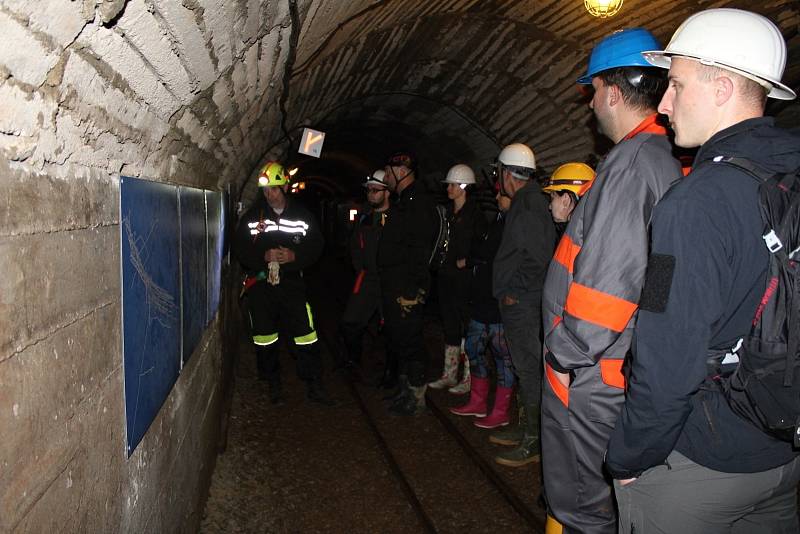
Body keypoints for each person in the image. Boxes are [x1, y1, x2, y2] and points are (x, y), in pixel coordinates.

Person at [605, 9, 800, 533]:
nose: (664, 104)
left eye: (676, 84)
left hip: (701, 463)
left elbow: (669, 357)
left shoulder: (695, 201)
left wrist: (629, 456)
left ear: (720, 88)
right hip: (783, 453)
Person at [540, 28, 682, 533]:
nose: (591, 102)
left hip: (588, 372)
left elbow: (608, 287)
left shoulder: (631, 166)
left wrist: (563, 356)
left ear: (614, 92)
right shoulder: (653, 158)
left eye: (593, 89)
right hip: (604, 365)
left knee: (584, 507)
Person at [235, 161, 332, 405]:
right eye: (266, 190)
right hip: (262, 284)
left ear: (285, 187)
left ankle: (313, 383)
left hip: (292, 284)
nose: (270, 195)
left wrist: (294, 256)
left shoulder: (302, 216)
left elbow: (316, 246)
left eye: (275, 189)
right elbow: (240, 248)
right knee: (265, 336)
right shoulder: (252, 217)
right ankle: (273, 383)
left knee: (305, 334)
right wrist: (262, 257)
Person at [491, 142, 556, 467]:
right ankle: (528, 429)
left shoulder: (529, 205)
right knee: (524, 368)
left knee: (529, 370)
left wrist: (514, 291)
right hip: (523, 303)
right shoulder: (526, 201)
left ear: (506, 173)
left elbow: (538, 258)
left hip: (525, 305)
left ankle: (534, 441)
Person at [377, 152, 439, 416]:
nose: (387, 177)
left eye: (389, 173)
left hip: (407, 288)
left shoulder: (417, 204)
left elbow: (419, 250)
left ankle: (415, 397)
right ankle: (405, 391)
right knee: (400, 339)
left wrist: (412, 291)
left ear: (402, 172)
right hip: (396, 285)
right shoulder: (406, 201)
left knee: (411, 341)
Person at [450, 189, 516, 429]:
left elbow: (490, 255)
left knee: (503, 359)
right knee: (474, 349)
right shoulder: (497, 221)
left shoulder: (514, 224)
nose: (497, 199)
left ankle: (500, 411)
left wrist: (472, 259)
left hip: (498, 305)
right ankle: (477, 402)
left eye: (502, 195)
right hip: (482, 301)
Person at [428, 164, 487, 395]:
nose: (449, 188)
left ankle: (469, 377)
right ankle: (449, 373)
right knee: (449, 323)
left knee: (467, 327)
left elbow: (485, 248)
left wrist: (467, 261)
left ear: (463, 187)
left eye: (452, 184)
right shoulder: (446, 213)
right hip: (445, 277)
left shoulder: (475, 215)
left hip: (465, 280)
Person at [339, 170, 391, 381]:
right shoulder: (364, 217)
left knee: (391, 327)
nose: (371, 194)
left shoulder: (396, 218)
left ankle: (390, 370)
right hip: (367, 277)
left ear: (387, 192)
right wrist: (359, 266)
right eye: (369, 190)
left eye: (376, 190)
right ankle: (353, 360)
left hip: (389, 280)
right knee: (349, 322)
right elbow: (354, 245)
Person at [541, 162, 595, 240]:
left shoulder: (575, 239)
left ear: (565, 200)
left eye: (552, 198)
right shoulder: (589, 232)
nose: (549, 207)